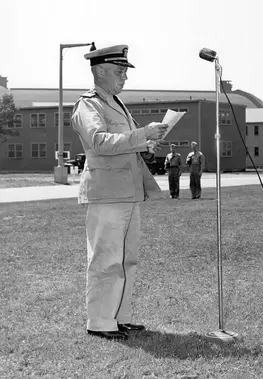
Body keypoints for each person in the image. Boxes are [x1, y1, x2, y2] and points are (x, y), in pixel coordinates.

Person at [71, 43, 168, 341]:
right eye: (118, 71)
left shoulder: (117, 103)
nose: (124, 77)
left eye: (125, 71)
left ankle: (119, 317)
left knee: (127, 259)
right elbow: (100, 141)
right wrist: (142, 135)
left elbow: (125, 143)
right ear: (99, 72)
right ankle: (100, 321)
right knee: (106, 258)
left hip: (127, 192)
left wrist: (148, 144)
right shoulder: (88, 105)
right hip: (106, 193)